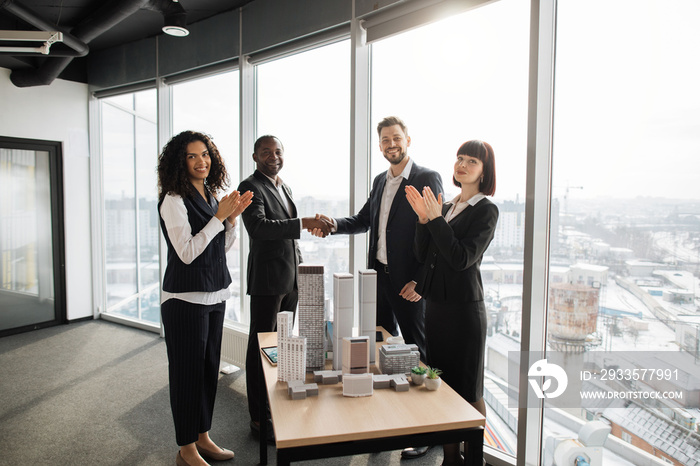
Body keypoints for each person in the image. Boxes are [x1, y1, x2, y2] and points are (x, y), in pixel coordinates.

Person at [157, 130, 253, 466]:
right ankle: (186, 448)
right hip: (184, 299)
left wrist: (230, 220)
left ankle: (202, 436)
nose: (202, 162)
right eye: (192, 156)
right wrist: (217, 218)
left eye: (205, 154)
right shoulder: (173, 199)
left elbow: (220, 248)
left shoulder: (211, 195)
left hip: (215, 294)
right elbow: (186, 254)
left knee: (208, 369)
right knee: (187, 374)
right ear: (179, 162)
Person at [313, 116, 442, 361]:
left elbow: (436, 233)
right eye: (385, 140)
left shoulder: (427, 177)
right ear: (380, 146)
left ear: (408, 141)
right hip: (378, 278)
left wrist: (421, 281)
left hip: (409, 283)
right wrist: (333, 225)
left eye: (396, 138)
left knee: (419, 349)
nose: (391, 144)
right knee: (381, 344)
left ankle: (421, 399)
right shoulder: (380, 180)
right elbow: (363, 219)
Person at [405, 140, 498, 466]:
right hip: (437, 308)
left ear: (484, 170)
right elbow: (423, 254)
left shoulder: (486, 209)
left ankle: (474, 460)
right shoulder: (445, 206)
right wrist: (423, 220)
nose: (462, 164)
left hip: (464, 313)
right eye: (460, 158)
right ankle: (450, 458)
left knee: (469, 392)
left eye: (472, 160)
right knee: (441, 386)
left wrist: (435, 221)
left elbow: (461, 259)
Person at [238, 135, 330, 440]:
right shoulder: (250, 186)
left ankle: (274, 408)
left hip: (290, 280)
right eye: (266, 152)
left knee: (280, 348)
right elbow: (259, 228)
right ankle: (258, 418)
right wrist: (302, 222)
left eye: (277, 151)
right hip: (267, 281)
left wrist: (300, 267)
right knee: (261, 347)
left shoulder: (283, 185)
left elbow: (288, 234)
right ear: (255, 156)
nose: (273, 156)